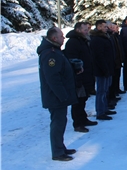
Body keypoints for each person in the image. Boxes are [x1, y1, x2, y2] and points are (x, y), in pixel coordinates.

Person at [37, 27, 79, 161]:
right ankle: (57, 152)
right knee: (57, 123)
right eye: (61, 36)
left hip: (59, 95)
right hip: (55, 96)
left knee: (61, 121)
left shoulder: (55, 51)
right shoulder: (50, 54)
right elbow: (52, 78)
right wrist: (63, 95)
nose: (63, 38)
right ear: (54, 38)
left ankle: (60, 147)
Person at [64, 22, 98, 133]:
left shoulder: (83, 40)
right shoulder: (73, 42)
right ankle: (78, 124)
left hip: (87, 74)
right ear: (78, 30)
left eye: (87, 29)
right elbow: (72, 60)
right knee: (78, 101)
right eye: (84, 29)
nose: (87, 31)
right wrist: (78, 71)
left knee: (83, 99)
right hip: (79, 76)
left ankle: (83, 119)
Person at [90, 20, 116, 120]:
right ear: (99, 27)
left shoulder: (105, 37)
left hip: (108, 67)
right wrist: (105, 69)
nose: (107, 28)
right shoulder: (97, 39)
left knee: (106, 90)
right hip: (101, 70)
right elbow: (99, 57)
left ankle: (105, 108)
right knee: (101, 91)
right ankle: (100, 112)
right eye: (105, 27)